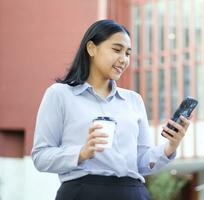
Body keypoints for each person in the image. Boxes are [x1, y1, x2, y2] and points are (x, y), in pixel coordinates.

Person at [31, 19, 191, 200]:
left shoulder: (133, 100)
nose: (123, 59)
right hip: (83, 193)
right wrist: (81, 153)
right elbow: (41, 156)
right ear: (91, 48)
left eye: (128, 53)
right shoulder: (60, 94)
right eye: (117, 50)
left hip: (133, 193)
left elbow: (141, 161)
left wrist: (171, 146)